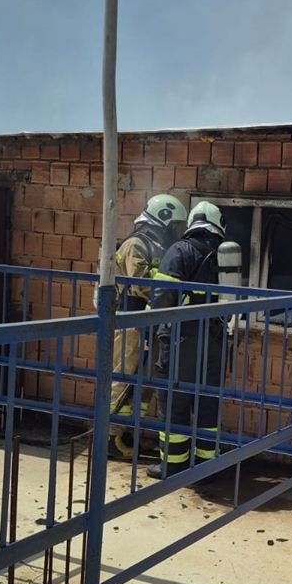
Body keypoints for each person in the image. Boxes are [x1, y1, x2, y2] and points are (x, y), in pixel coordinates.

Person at [146, 201, 227, 478]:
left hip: (182, 339)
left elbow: (162, 296)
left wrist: (149, 328)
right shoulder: (224, 254)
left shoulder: (180, 250)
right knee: (208, 402)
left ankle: (174, 466)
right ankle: (206, 466)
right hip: (215, 340)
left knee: (174, 402)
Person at [109, 194, 187, 458]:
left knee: (146, 384)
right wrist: (167, 285)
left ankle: (130, 435)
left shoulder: (161, 247)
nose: (178, 230)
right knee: (123, 379)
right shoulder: (135, 244)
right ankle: (111, 438)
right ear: (162, 219)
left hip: (152, 324)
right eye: (175, 224)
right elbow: (141, 284)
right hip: (131, 323)